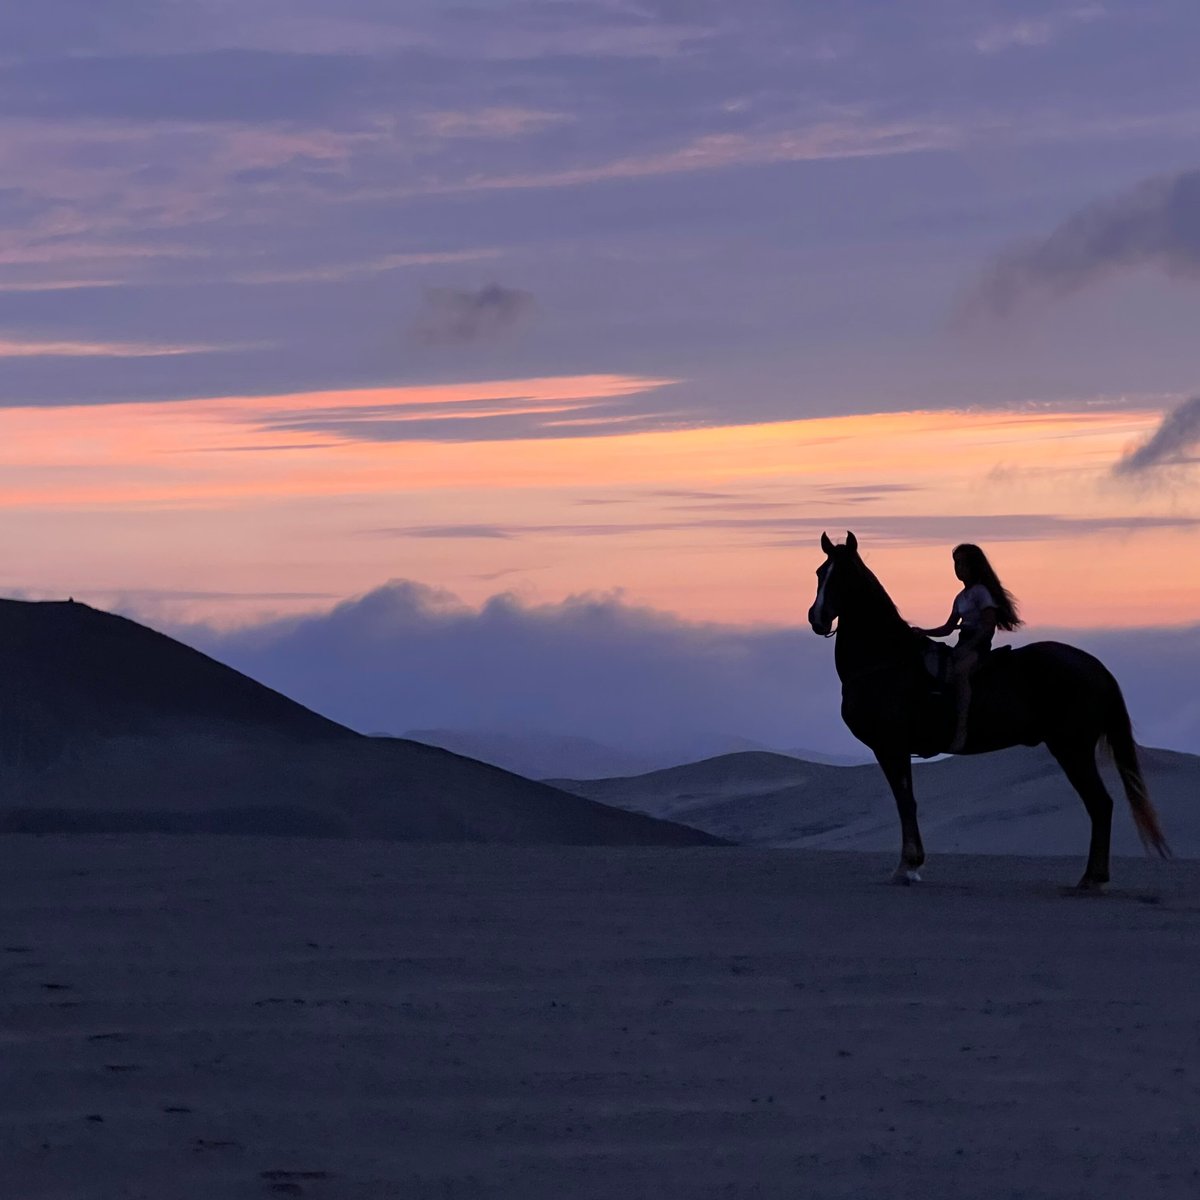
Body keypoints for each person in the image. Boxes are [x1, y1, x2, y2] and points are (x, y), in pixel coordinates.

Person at [916, 544, 1023, 753]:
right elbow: (948, 628)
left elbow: (988, 625)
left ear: (973, 566)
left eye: (962, 563)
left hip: (977, 647)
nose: (958, 568)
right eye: (956, 563)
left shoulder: (981, 592)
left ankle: (962, 729)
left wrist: (971, 647)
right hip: (963, 643)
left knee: (959, 673)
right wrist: (923, 632)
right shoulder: (961, 597)